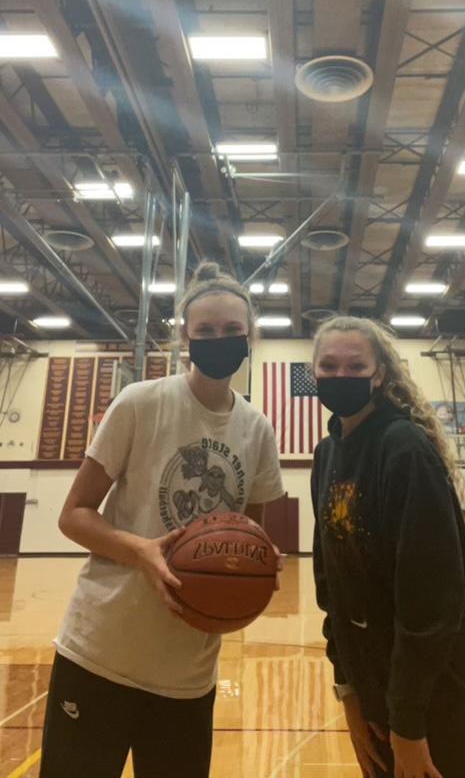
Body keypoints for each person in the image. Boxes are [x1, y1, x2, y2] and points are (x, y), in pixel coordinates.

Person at [39, 262, 284, 778]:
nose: (219, 339)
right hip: (100, 651)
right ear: (186, 337)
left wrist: (257, 568)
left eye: (231, 330)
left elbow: (248, 536)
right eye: (205, 330)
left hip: (188, 673)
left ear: (249, 337)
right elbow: (73, 515)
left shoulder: (258, 429)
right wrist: (142, 551)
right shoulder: (140, 403)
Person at [311, 316, 465, 778]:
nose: (341, 375)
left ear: (379, 375)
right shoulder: (326, 455)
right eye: (329, 366)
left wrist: (408, 724)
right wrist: (349, 690)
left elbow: (431, 600)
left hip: (441, 693)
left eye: (356, 366)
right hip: (379, 689)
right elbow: (331, 585)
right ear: (313, 372)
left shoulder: (403, 447)